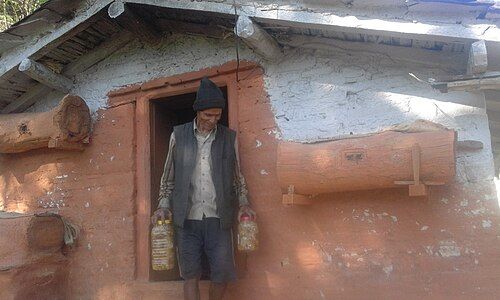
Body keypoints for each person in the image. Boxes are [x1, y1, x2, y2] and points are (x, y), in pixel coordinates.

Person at [152, 77, 256, 300]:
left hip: (218, 218)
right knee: (190, 274)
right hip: (186, 219)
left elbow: (238, 176)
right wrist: (163, 204)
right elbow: (167, 174)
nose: (213, 120)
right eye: (208, 115)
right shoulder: (178, 135)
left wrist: (244, 203)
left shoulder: (228, 138)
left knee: (221, 274)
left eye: (217, 115)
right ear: (198, 112)